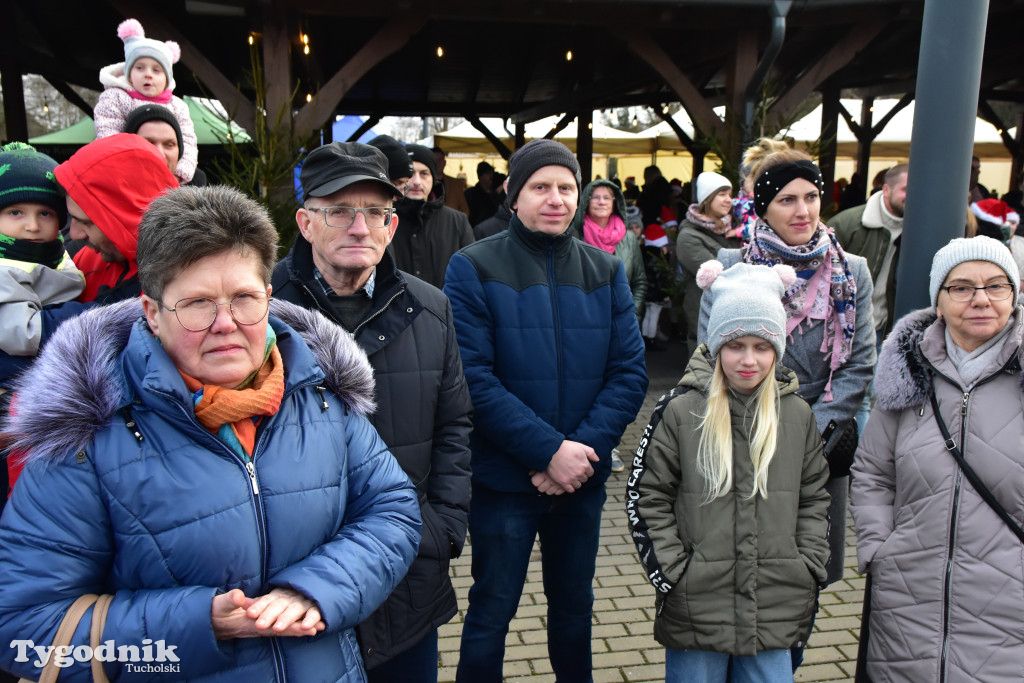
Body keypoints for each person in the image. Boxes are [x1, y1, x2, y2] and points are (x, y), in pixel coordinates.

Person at [0, 185, 421, 682]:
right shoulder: (86, 433)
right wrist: (197, 625)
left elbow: (392, 509)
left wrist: (318, 588)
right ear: (152, 313)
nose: (226, 324)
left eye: (244, 297)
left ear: (269, 296)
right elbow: (23, 630)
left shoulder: (321, 394)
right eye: (197, 304)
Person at [445, 139, 648, 682]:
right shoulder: (472, 267)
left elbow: (629, 374)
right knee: (491, 612)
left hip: (581, 477)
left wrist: (577, 455)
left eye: (566, 187)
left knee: (574, 612)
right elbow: (472, 379)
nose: (555, 198)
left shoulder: (605, 271)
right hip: (505, 480)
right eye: (541, 186)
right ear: (513, 194)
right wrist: (547, 451)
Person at [271, 141, 473, 682]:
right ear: (305, 222)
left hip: (406, 571)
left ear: (390, 225)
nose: (359, 227)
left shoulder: (432, 308)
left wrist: (443, 526)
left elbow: (454, 422)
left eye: (377, 213)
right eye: (339, 210)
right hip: (291, 586)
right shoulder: (256, 310)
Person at [628, 261, 830, 683]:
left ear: (778, 348)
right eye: (737, 345)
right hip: (697, 603)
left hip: (775, 601)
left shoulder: (796, 414)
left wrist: (807, 564)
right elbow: (648, 494)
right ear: (717, 345)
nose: (749, 360)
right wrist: (673, 574)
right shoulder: (682, 411)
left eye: (762, 346)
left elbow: (814, 496)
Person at [698, 150, 875, 600]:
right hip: (742, 433)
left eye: (812, 196)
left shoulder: (851, 271)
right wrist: (756, 430)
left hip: (820, 437)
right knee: (742, 563)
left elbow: (859, 362)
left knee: (808, 569)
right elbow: (708, 356)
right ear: (762, 207)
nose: (803, 210)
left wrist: (805, 434)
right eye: (786, 199)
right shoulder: (729, 265)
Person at [851, 236, 1023, 682]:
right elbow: (872, 471)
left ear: (1015, 293)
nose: (980, 299)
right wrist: (878, 547)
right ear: (939, 302)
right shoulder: (908, 372)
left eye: (996, 285)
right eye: (961, 287)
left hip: (1008, 603)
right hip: (907, 597)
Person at [0, 143, 83, 366]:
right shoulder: (3, 268)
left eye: (45, 213)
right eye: (15, 212)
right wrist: (89, 312)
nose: (33, 226)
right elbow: (23, 333)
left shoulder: (54, 253)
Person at [93, 18, 198, 184]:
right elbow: (108, 133)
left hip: (168, 175)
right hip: (125, 173)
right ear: (129, 73)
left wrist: (181, 172)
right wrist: (123, 169)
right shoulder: (115, 97)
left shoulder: (177, 106)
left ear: (166, 79)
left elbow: (188, 141)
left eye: (156, 70)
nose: (148, 74)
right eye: (140, 67)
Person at [371, 140, 474, 289]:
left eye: (424, 174)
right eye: (410, 174)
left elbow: (469, 276)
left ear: (434, 178)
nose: (417, 182)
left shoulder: (457, 221)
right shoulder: (381, 219)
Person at [829, 163, 907, 337]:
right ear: (886, 190)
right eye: (906, 189)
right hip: (842, 330)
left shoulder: (920, 230)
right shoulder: (845, 225)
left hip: (885, 329)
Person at [677, 171, 741, 358]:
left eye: (730, 194)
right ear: (707, 198)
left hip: (734, 314)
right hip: (705, 316)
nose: (728, 200)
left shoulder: (734, 229)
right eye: (722, 194)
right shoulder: (689, 236)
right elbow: (722, 274)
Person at [573, 178, 647, 320]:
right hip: (583, 320)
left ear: (614, 204)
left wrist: (632, 314)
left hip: (621, 319)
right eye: (595, 197)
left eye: (607, 197)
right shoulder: (574, 236)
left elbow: (639, 282)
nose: (601, 202)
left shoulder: (629, 238)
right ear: (586, 202)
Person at [123, 104, 208, 186]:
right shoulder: (111, 192)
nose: (160, 153)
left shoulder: (197, 188)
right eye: (148, 143)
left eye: (169, 145)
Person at [433, 145, 470, 217]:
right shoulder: (423, 184)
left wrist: (458, 225)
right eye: (435, 160)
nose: (438, 163)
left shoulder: (456, 183)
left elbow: (465, 209)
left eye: (440, 160)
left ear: (445, 162)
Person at [465, 161, 500, 227]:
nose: (491, 176)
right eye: (487, 173)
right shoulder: (471, 194)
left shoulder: (495, 193)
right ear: (480, 177)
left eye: (491, 173)